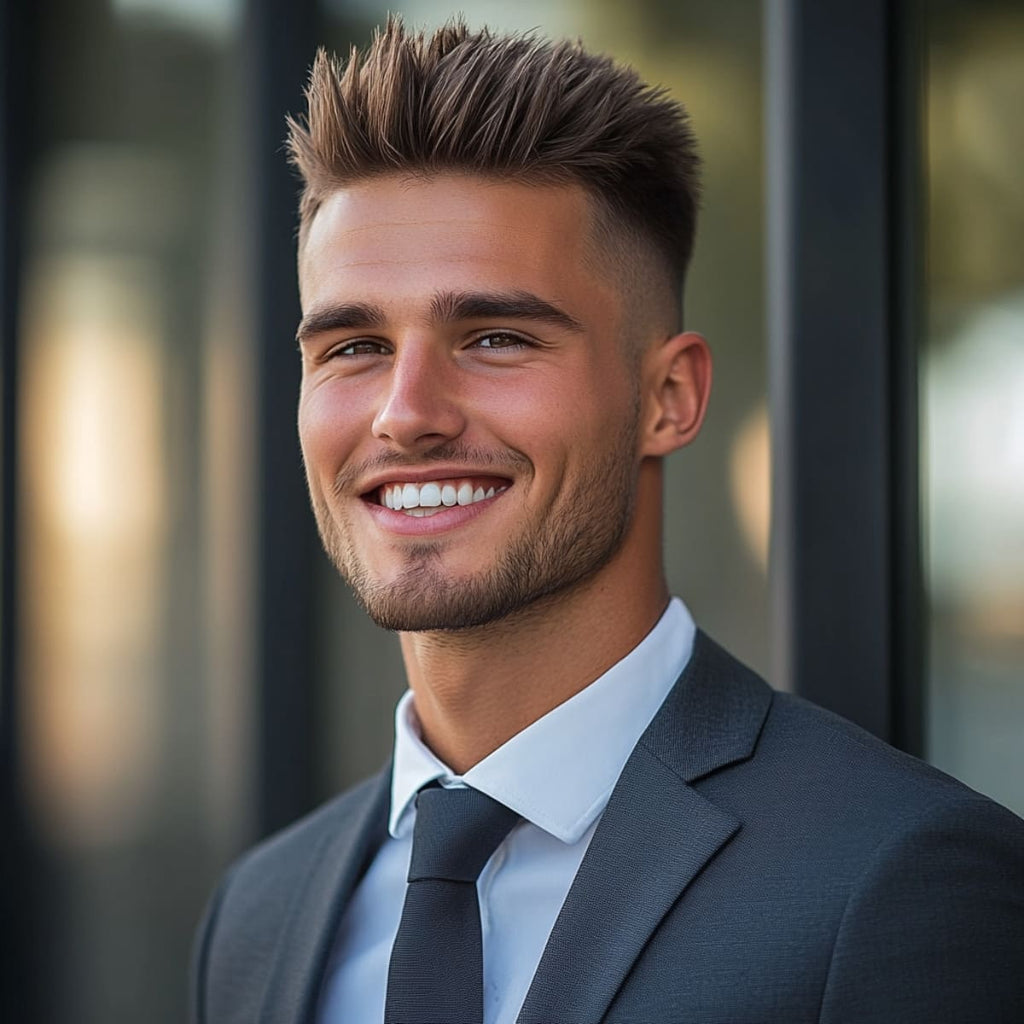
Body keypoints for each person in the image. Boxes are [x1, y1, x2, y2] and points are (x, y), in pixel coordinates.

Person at [191, 18, 1024, 1024]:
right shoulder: (259, 915)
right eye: (352, 347)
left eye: (495, 336)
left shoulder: (901, 884)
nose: (405, 411)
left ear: (668, 396)